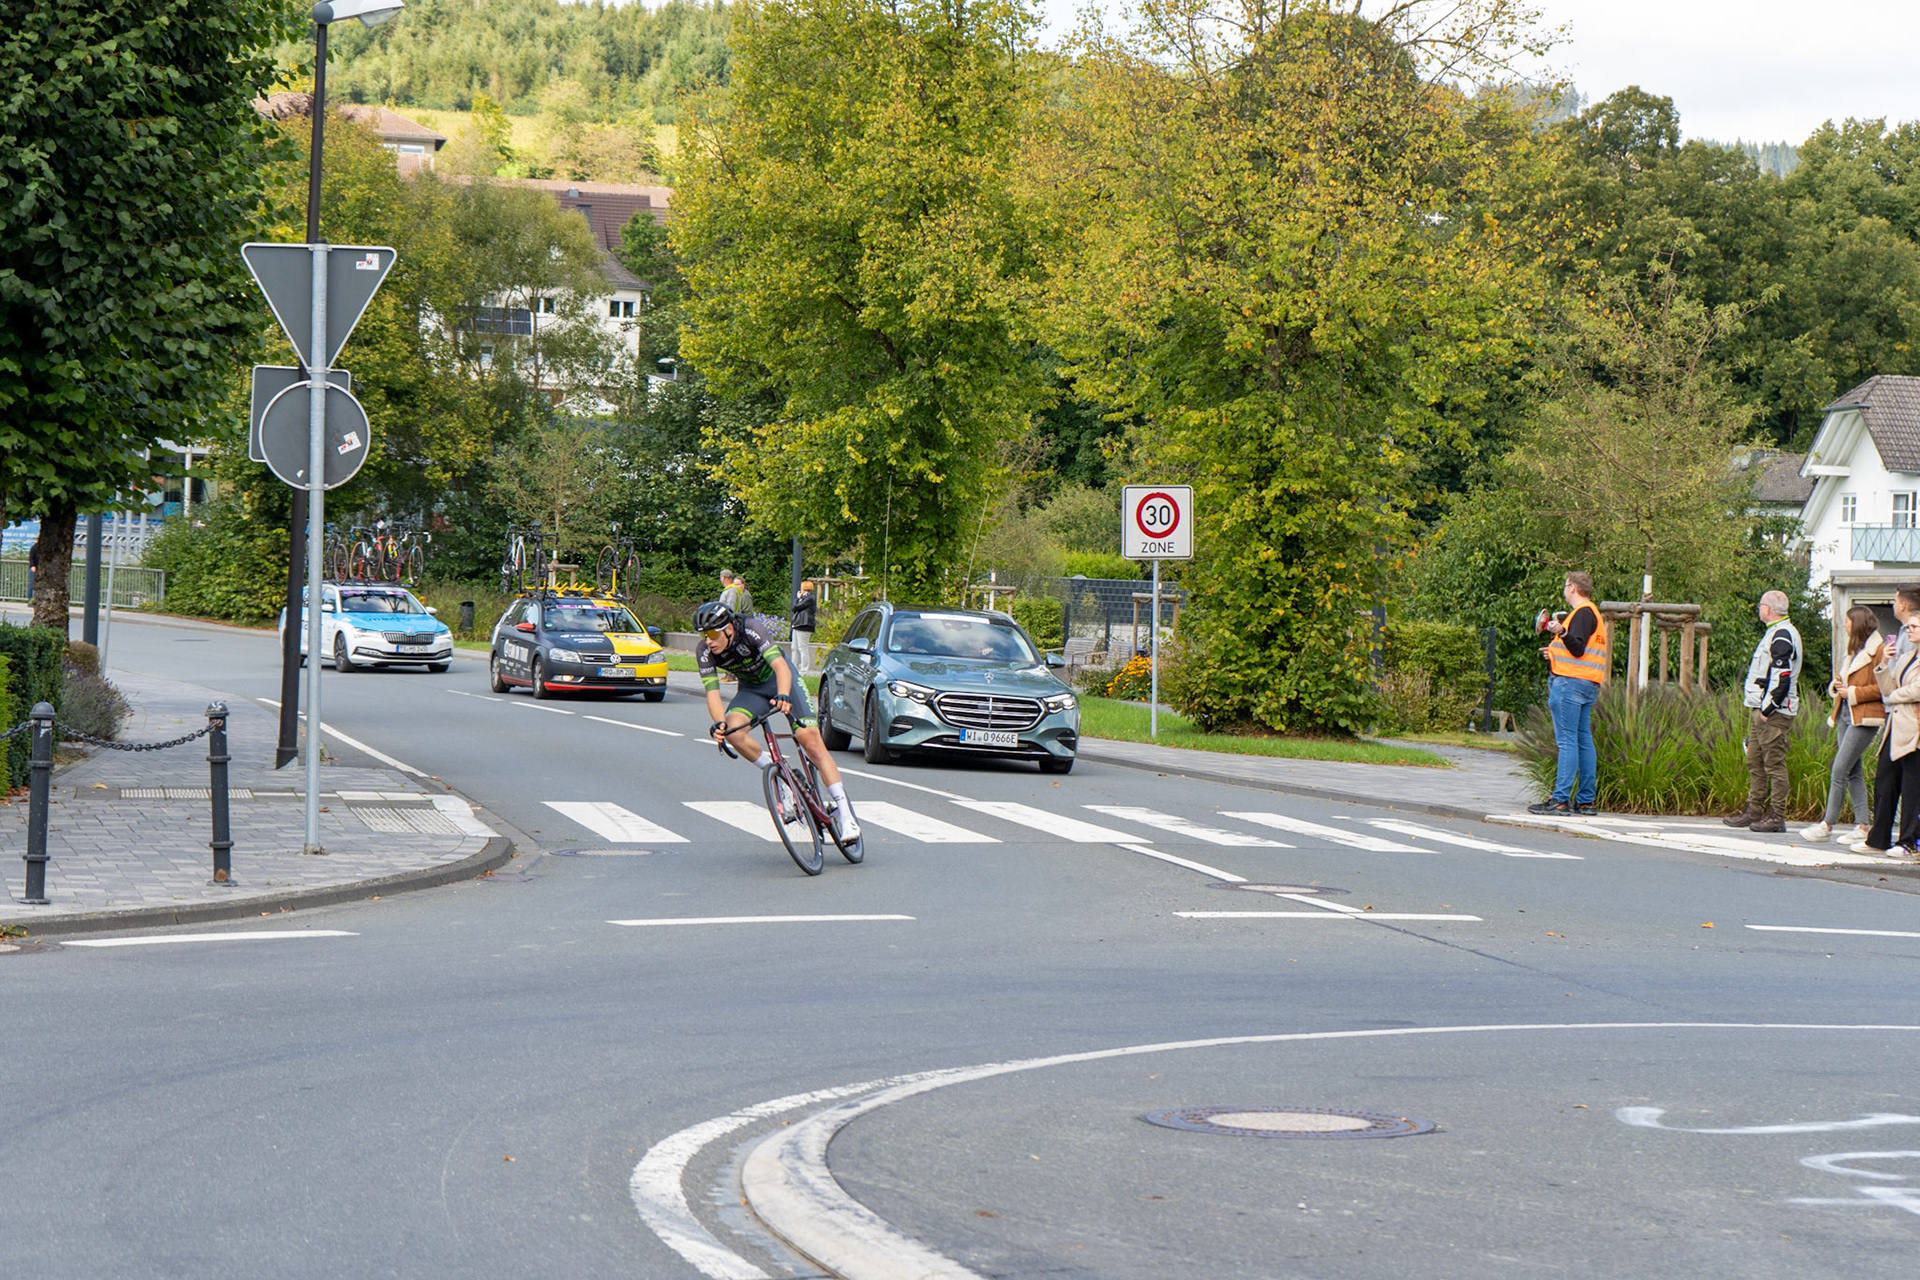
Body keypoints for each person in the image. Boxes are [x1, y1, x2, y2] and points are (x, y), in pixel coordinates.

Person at [694, 600, 859, 842]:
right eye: (703, 635)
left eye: (712, 634)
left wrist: (783, 694)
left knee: (809, 740)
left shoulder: (750, 628)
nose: (708, 641)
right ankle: (783, 775)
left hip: (781, 680)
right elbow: (712, 693)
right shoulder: (705, 651)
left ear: (729, 629)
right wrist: (720, 724)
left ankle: (846, 815)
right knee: (733, 732)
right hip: (752, 689)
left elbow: (780, 666)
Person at [1527, 571, 1608, 817]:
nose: (1564, 590)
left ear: (1572, 587)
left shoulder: (1581, 613)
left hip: (1569, 685)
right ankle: (1585, 801)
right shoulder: (1593, 613)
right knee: (1583, 740)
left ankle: (1560, 800)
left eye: (1565, 585)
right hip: (1587, 683)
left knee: (1567, 741)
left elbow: (1577, 647)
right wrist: (1553, 651)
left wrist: (1560, 632)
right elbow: (1580, 650)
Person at [1801, 606, 1884, 844]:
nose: (1844, 625)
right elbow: (1846, 680)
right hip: (1845, 713)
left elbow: (1883, 687)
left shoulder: (1878, 650)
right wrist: (1838, 685)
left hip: (1864, 717)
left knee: (1839, 769)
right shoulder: (1854, 649)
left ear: (1857, 623)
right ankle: (1862, 825)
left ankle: (1827, 824)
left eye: (1847, 621)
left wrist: (1853, 692)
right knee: (1852, 770)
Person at [1723, 589, 1803, 834]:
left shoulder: (1782, 635)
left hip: (1773, 711)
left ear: (1767, 608)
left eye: (1760, 605)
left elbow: (1782, 676)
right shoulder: (1775, 632)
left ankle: (1777, 816)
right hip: (1762, 708)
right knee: (1754, 760)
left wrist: (1767, 709)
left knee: (1774, 764)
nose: (1759, 609)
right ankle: (1754, 810)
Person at [1855, 612, 1920, 857]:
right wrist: (1883, 664)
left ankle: (1908, 842)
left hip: (1915, 729)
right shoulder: (1907, 658)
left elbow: (1915, 690)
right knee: (1885, 782)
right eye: (1908, 627)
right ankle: (1878, 839)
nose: (1909, 630)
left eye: (1914, 626)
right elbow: (1888, 688)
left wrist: (1893, 697)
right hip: (1896, 727)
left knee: (1912, 788)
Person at [791, 579, 818, 675]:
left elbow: (796, 607)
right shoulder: (804, 598)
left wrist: (797, 598)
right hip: (797, 624)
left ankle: (804, 669)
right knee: (794, 647)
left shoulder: (809, 598)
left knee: (802, 648)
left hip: (804, 625)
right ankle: (793, 667)